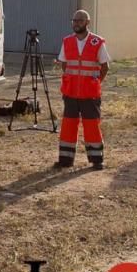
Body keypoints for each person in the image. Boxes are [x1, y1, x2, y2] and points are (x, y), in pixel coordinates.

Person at [55, 10, 110, 170]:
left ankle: (97, 160)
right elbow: (64, 63)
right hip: (70, 92)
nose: (76, 23)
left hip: (90, 93)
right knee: (68, 125)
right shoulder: (67, 41)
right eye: (74, 20)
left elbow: (105, 66)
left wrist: (96, 82)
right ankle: (65, 160)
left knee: (92, 125)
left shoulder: (97, 42)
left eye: (79, 20)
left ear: (87, 22)